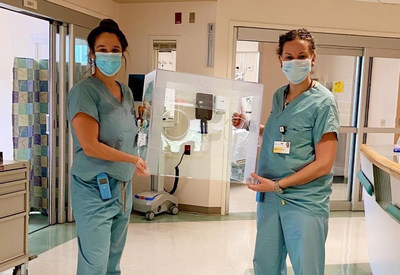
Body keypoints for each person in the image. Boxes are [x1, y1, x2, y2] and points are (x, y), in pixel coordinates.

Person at [233, 28, 339, 275]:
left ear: (313, 58)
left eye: (302, 56)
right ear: (280, 59)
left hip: (304, 201)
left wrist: (279, 185)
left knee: (307, 268)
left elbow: (324, 163)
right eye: (289, 57)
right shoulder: (279, 95)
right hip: (270, 199)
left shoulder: (324, 102)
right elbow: (279, 134)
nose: (295, 62)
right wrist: (247, 125)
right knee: (266, 265)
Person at [67, 19, 149, 275]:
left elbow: (125, 135)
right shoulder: (84, 92)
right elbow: (90, 146)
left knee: (112, 263)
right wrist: (132, 159)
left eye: (115, 50)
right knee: (95, 264)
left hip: (122, 187)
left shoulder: (124, 91)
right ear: (92, 53)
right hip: (94, 187)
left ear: (122, 52)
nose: (109, 55)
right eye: (102, 49)